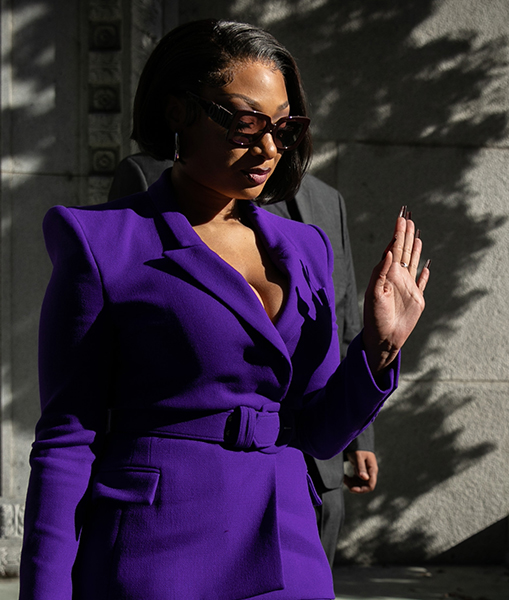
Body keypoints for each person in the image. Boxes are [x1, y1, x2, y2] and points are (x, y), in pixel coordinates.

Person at [20, 19, 428, 599]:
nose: (268, 148)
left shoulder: (306, 247)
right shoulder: (101, 241)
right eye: (245, 122)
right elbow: (66, 440)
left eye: (283, 128)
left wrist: (380, 350)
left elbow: (317, 431)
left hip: (287, 547)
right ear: (178, 112)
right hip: (155, 550)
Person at [109, 154, 378, 567]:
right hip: (202, 477)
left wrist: (362, 436)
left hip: (316, 462)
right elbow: (120, 336)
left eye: (285, 119)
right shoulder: (147, 174)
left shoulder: (328, 200)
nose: (269, 140)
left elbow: (341, 316)